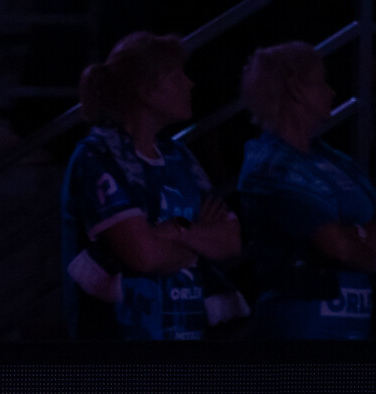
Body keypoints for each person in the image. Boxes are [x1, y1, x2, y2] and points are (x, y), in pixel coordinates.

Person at [61, 32, 244, 340]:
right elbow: (144, 255)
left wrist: (175, 233)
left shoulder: (179, 156)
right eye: (177, 76)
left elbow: (230, 241)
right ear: (146, 91)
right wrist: (197, 242)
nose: (190, 84)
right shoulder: (97, 156)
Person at [236, 42, 376, 339]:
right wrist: (371, 253)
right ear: (296, 89)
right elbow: (336, 246)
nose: (332, 91)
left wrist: (356, 236)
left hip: (352, 328)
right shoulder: (271, 164)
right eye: (322, 81)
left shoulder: (336, 160)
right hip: (296, 330)